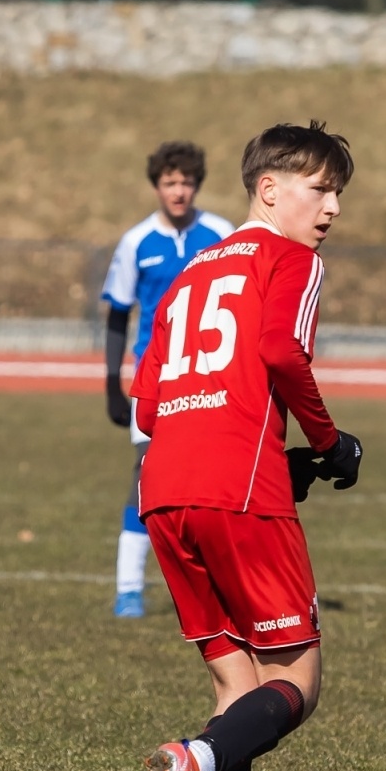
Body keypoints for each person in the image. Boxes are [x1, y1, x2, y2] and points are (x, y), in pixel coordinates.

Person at [131, 121, 362, 771]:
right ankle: (194, 758)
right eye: (318, 187)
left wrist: (279, 455)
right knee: (298, 678)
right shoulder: (292, 258)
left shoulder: (192, 268)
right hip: (236, 490)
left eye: (339, 193)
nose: (331, 207)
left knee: (238, 686)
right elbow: (279, 354)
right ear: (269, 189)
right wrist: (329, 444)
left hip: (164, 491)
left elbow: (151, 400)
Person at [102, 141, 234, 618]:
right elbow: (118, 314)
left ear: (197, 185)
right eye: (169, 182)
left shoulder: (223, 234)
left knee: (212, 479)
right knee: (146, 476)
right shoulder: (137, 242)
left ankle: (216, 587)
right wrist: (110, 384)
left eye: (186, 182)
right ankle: (129, 588)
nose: (178, 191)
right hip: (153, 376)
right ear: (156, 186)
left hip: (210, 376)